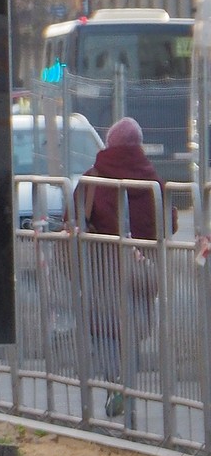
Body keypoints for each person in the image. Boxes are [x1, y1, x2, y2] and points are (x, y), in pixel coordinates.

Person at [78, 117, 169, 417]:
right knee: (133, 331)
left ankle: (115, 383)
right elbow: (168, 224)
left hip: (102, 275)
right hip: (141, 276)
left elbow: (75, 215)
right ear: (138, 144)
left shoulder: (94, 179)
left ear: (110, 142)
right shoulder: (153, 180)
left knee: (103, 332)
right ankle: (126, 386)